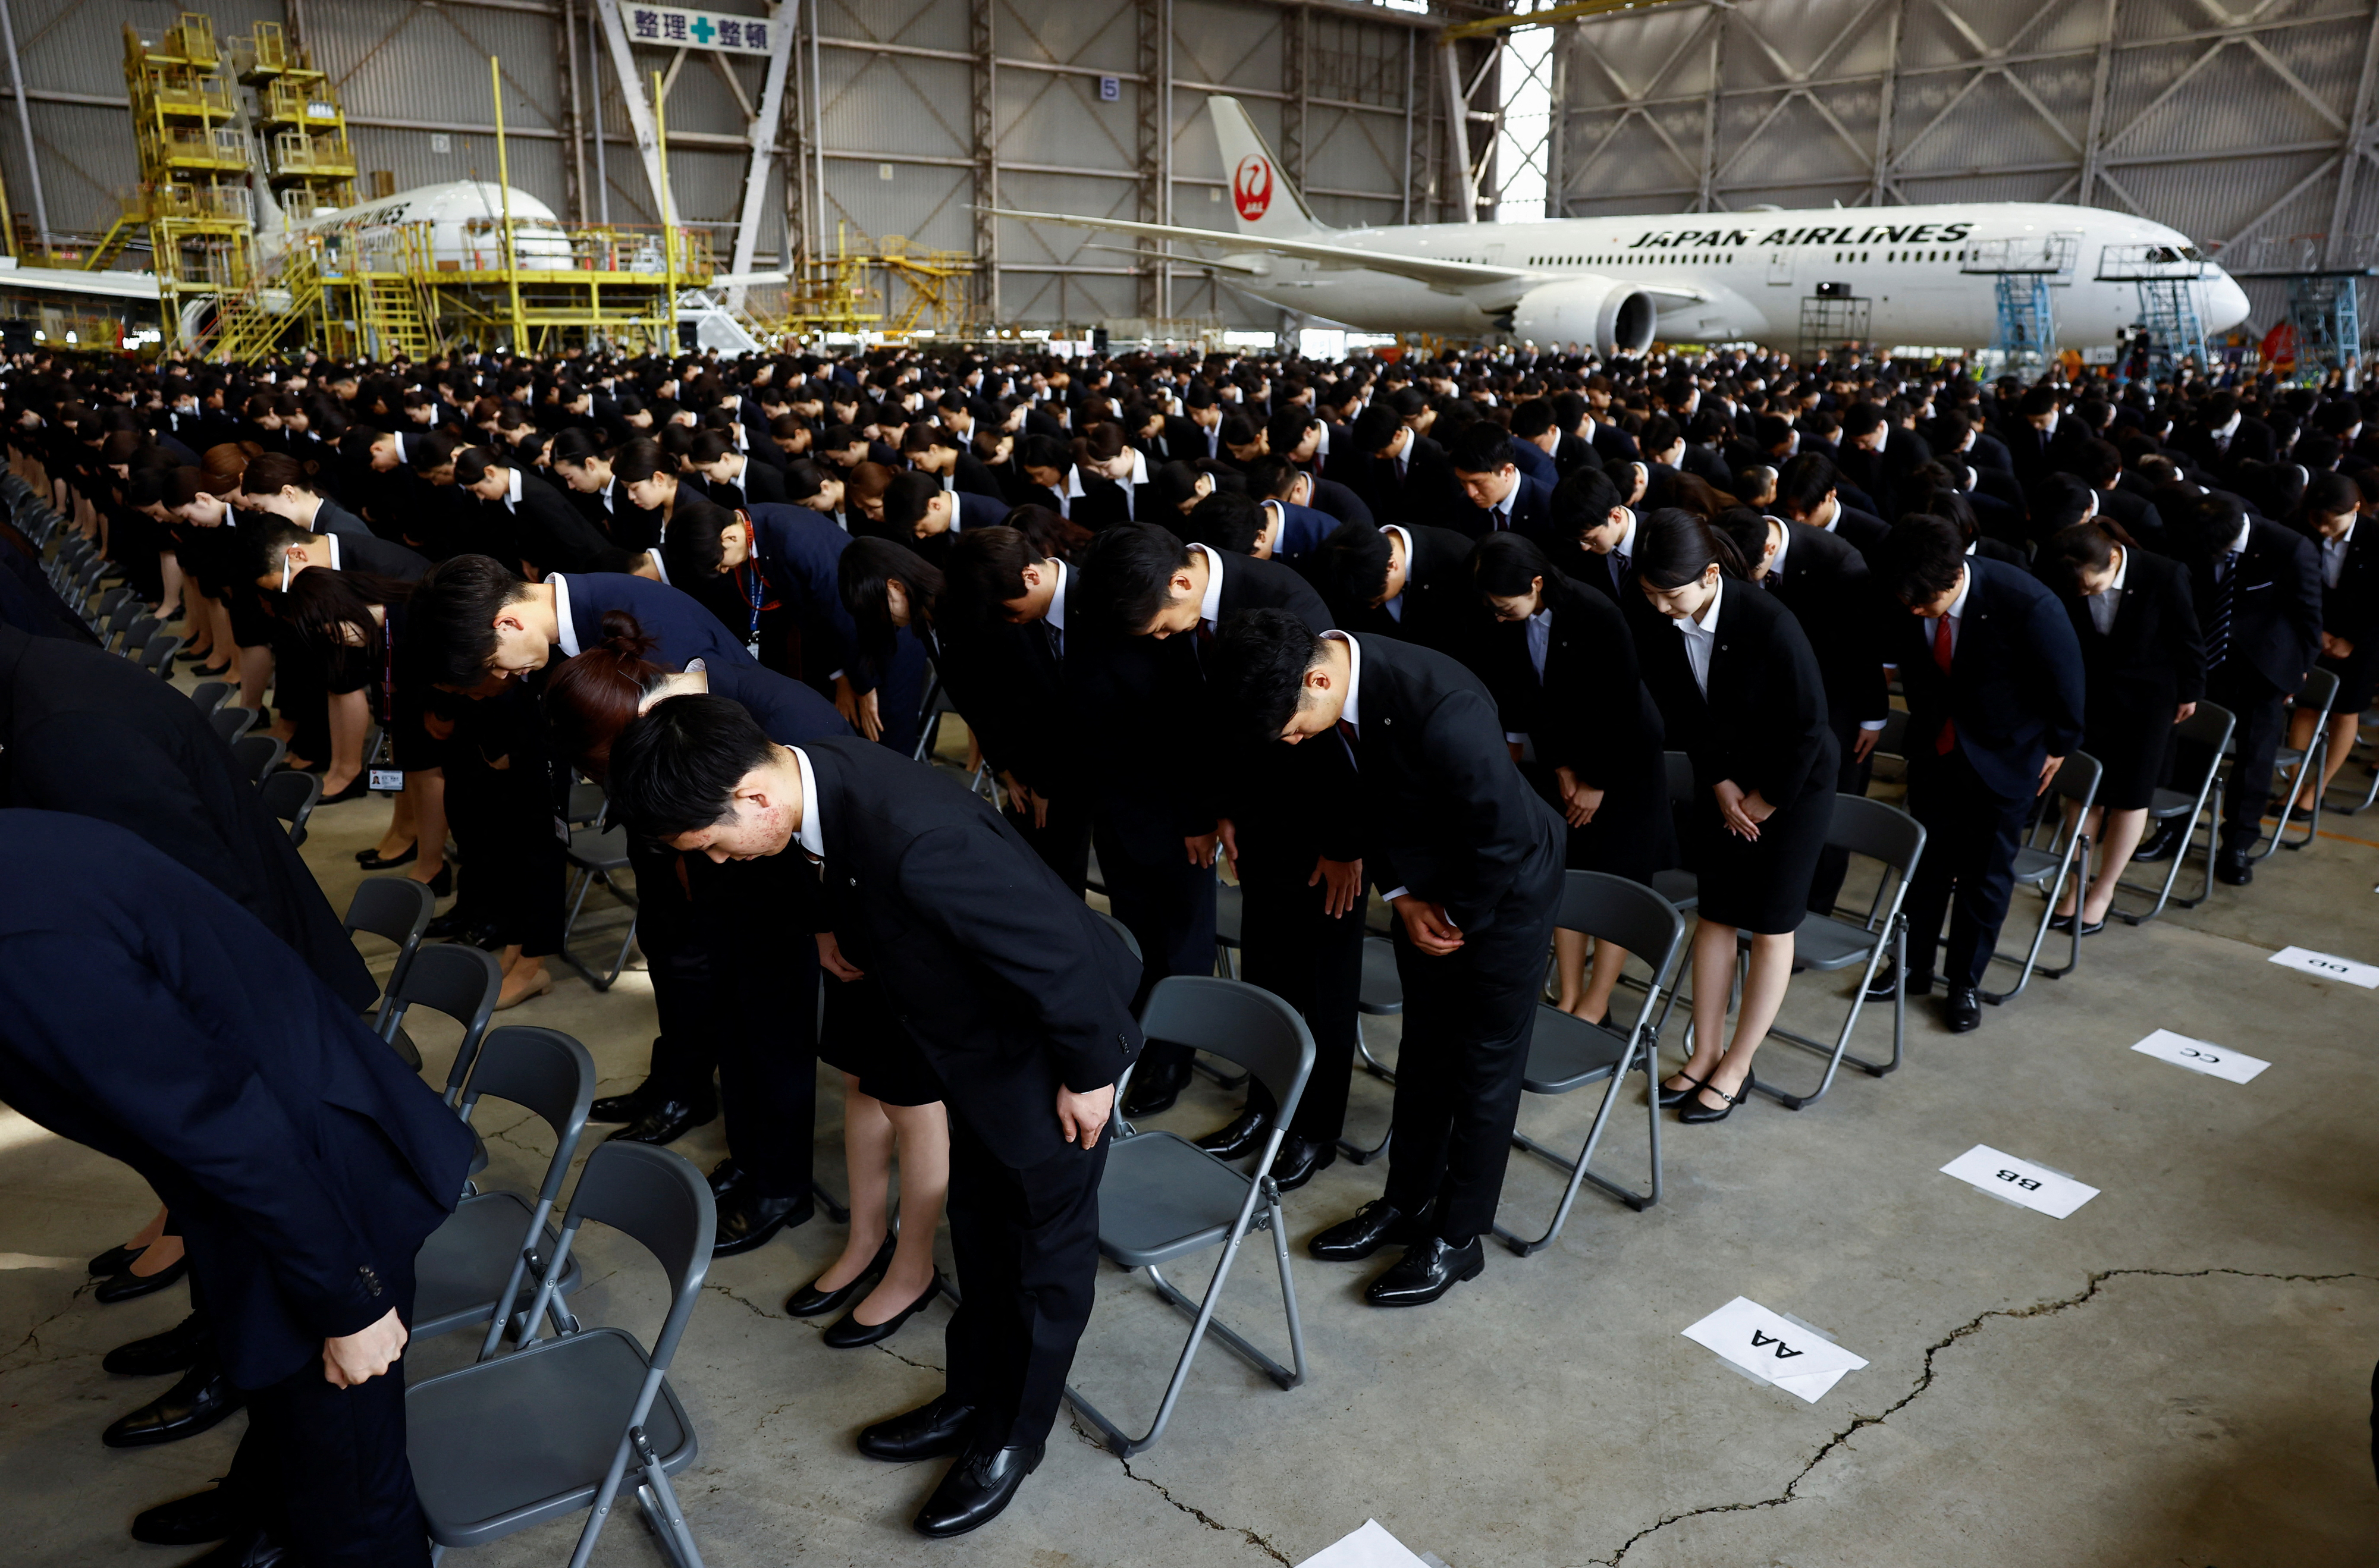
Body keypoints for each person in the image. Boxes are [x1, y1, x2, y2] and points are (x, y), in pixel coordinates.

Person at [604, 697, 1143, 1538]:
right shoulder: (809, 783)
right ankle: (970, 1395)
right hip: (965, 1034)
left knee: (1041, 1252)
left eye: (709, 843)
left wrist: (1090, 1072)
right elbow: (827, 869)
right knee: (981, 1227)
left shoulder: (919, 838)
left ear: (752, 798)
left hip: (1044, 1049)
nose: (715, 859)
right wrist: (826, 923)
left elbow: (1058, 949)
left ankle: (1010, 1438)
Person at [0, 809, 474, 1568]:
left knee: (357, 1498)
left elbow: (224, 1124)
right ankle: (275, 1523)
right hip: (265, 1163)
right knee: (293, 1412)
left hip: (312, 1180)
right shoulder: (20, 846)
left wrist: (350, 1300)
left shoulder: (21, 946)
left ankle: (310, 1532)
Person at [1210, 608, 1564, 1307]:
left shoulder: (1441, 706)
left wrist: (1454, 917)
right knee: (1426, 1051)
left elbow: (1501, 838)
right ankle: (1405, 1202)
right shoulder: (1334, 690)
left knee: (1482, 1066)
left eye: (1290, 727)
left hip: (1504, 888)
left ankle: (1457, 1238)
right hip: (1427, 881)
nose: (1288, 741)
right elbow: (1376, 802)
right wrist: (1402, 895)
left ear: (1317, 679)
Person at [545, 618, 851, 1256]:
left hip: (792, 891)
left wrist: (826, 924)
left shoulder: (779, 713)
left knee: (774, 1036)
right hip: (729, 878)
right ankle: (749, 1158)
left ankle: (781, 1187)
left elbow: (838, 827)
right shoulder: (665, 712)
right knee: (735, 1023)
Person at [1629, 511, 1837, 1118]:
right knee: (1716, 912)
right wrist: (1719, 784)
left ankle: (1738, 1063)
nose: (1663, 608)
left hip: (1791, 786)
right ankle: (1704, 1051)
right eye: (1650, 595)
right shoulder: (1661, 619)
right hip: (1725, 777)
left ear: (1711, 575)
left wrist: (1765, 800)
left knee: (1771, 923)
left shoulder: (1767, 621)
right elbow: (1683, 713)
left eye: (1672, 595)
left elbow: (1808, 725)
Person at [1869, 516, 2087, 1030]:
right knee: (1927, 869)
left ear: (1952, 579)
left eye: (1924, 603)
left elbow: (2068, 685)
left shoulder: (2026, 604)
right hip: (1935, 751)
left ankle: (1963, 981)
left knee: (1983, 878)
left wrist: (2057, 746)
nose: (1914, 611)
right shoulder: (1906, 592)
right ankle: (1911, 967)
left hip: (2005, 757)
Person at [1472, 532, 1675, 1023]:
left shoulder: (1594, 612)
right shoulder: (1509, 620)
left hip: (1623, 764)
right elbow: (1527, 694)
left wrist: (1595, 781)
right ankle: (1567, 994)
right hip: (1567, 758)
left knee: (1613, 883)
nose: (1498, 615)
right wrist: (1562, 767)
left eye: (1505, 605)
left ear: (1537, 584)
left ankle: (1597, 1001)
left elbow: (1622, 705)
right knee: (1568, 873)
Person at [2040, 519, 2204, 931]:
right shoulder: (2067, 571)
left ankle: (2104, 889)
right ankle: (2076, 885)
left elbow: (2189, 638)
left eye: (2091, 588)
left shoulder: (2164, 573)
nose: (2085, 595)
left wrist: (2190, 692)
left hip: (2150, 699)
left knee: (2130, 797)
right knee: (2082, 793)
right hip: (2092, 693)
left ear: (2114, 559)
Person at [2179, 492, 2323, 885]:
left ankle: (2238, 843)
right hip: (2209, 658)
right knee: (2191, 745)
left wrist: (2297, 674)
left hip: (2265, 667)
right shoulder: (2201, 531)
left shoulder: (2289, 547)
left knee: (2254, 759)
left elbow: (2309, 617)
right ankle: (2174, 830)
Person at [2285, 472, 2379, 818]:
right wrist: (2318, 632)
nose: (2323, 529)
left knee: (2345, 710)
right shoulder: (2300, 528)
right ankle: (2295, 784)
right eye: (2317, 521)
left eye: (2332, 522)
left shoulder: (2374, 537)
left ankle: (2317, 788)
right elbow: (2291, 585)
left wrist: (2351, 641)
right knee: (2307, 707)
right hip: (2314, 631)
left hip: (2362, 639)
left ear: (2356, 508)